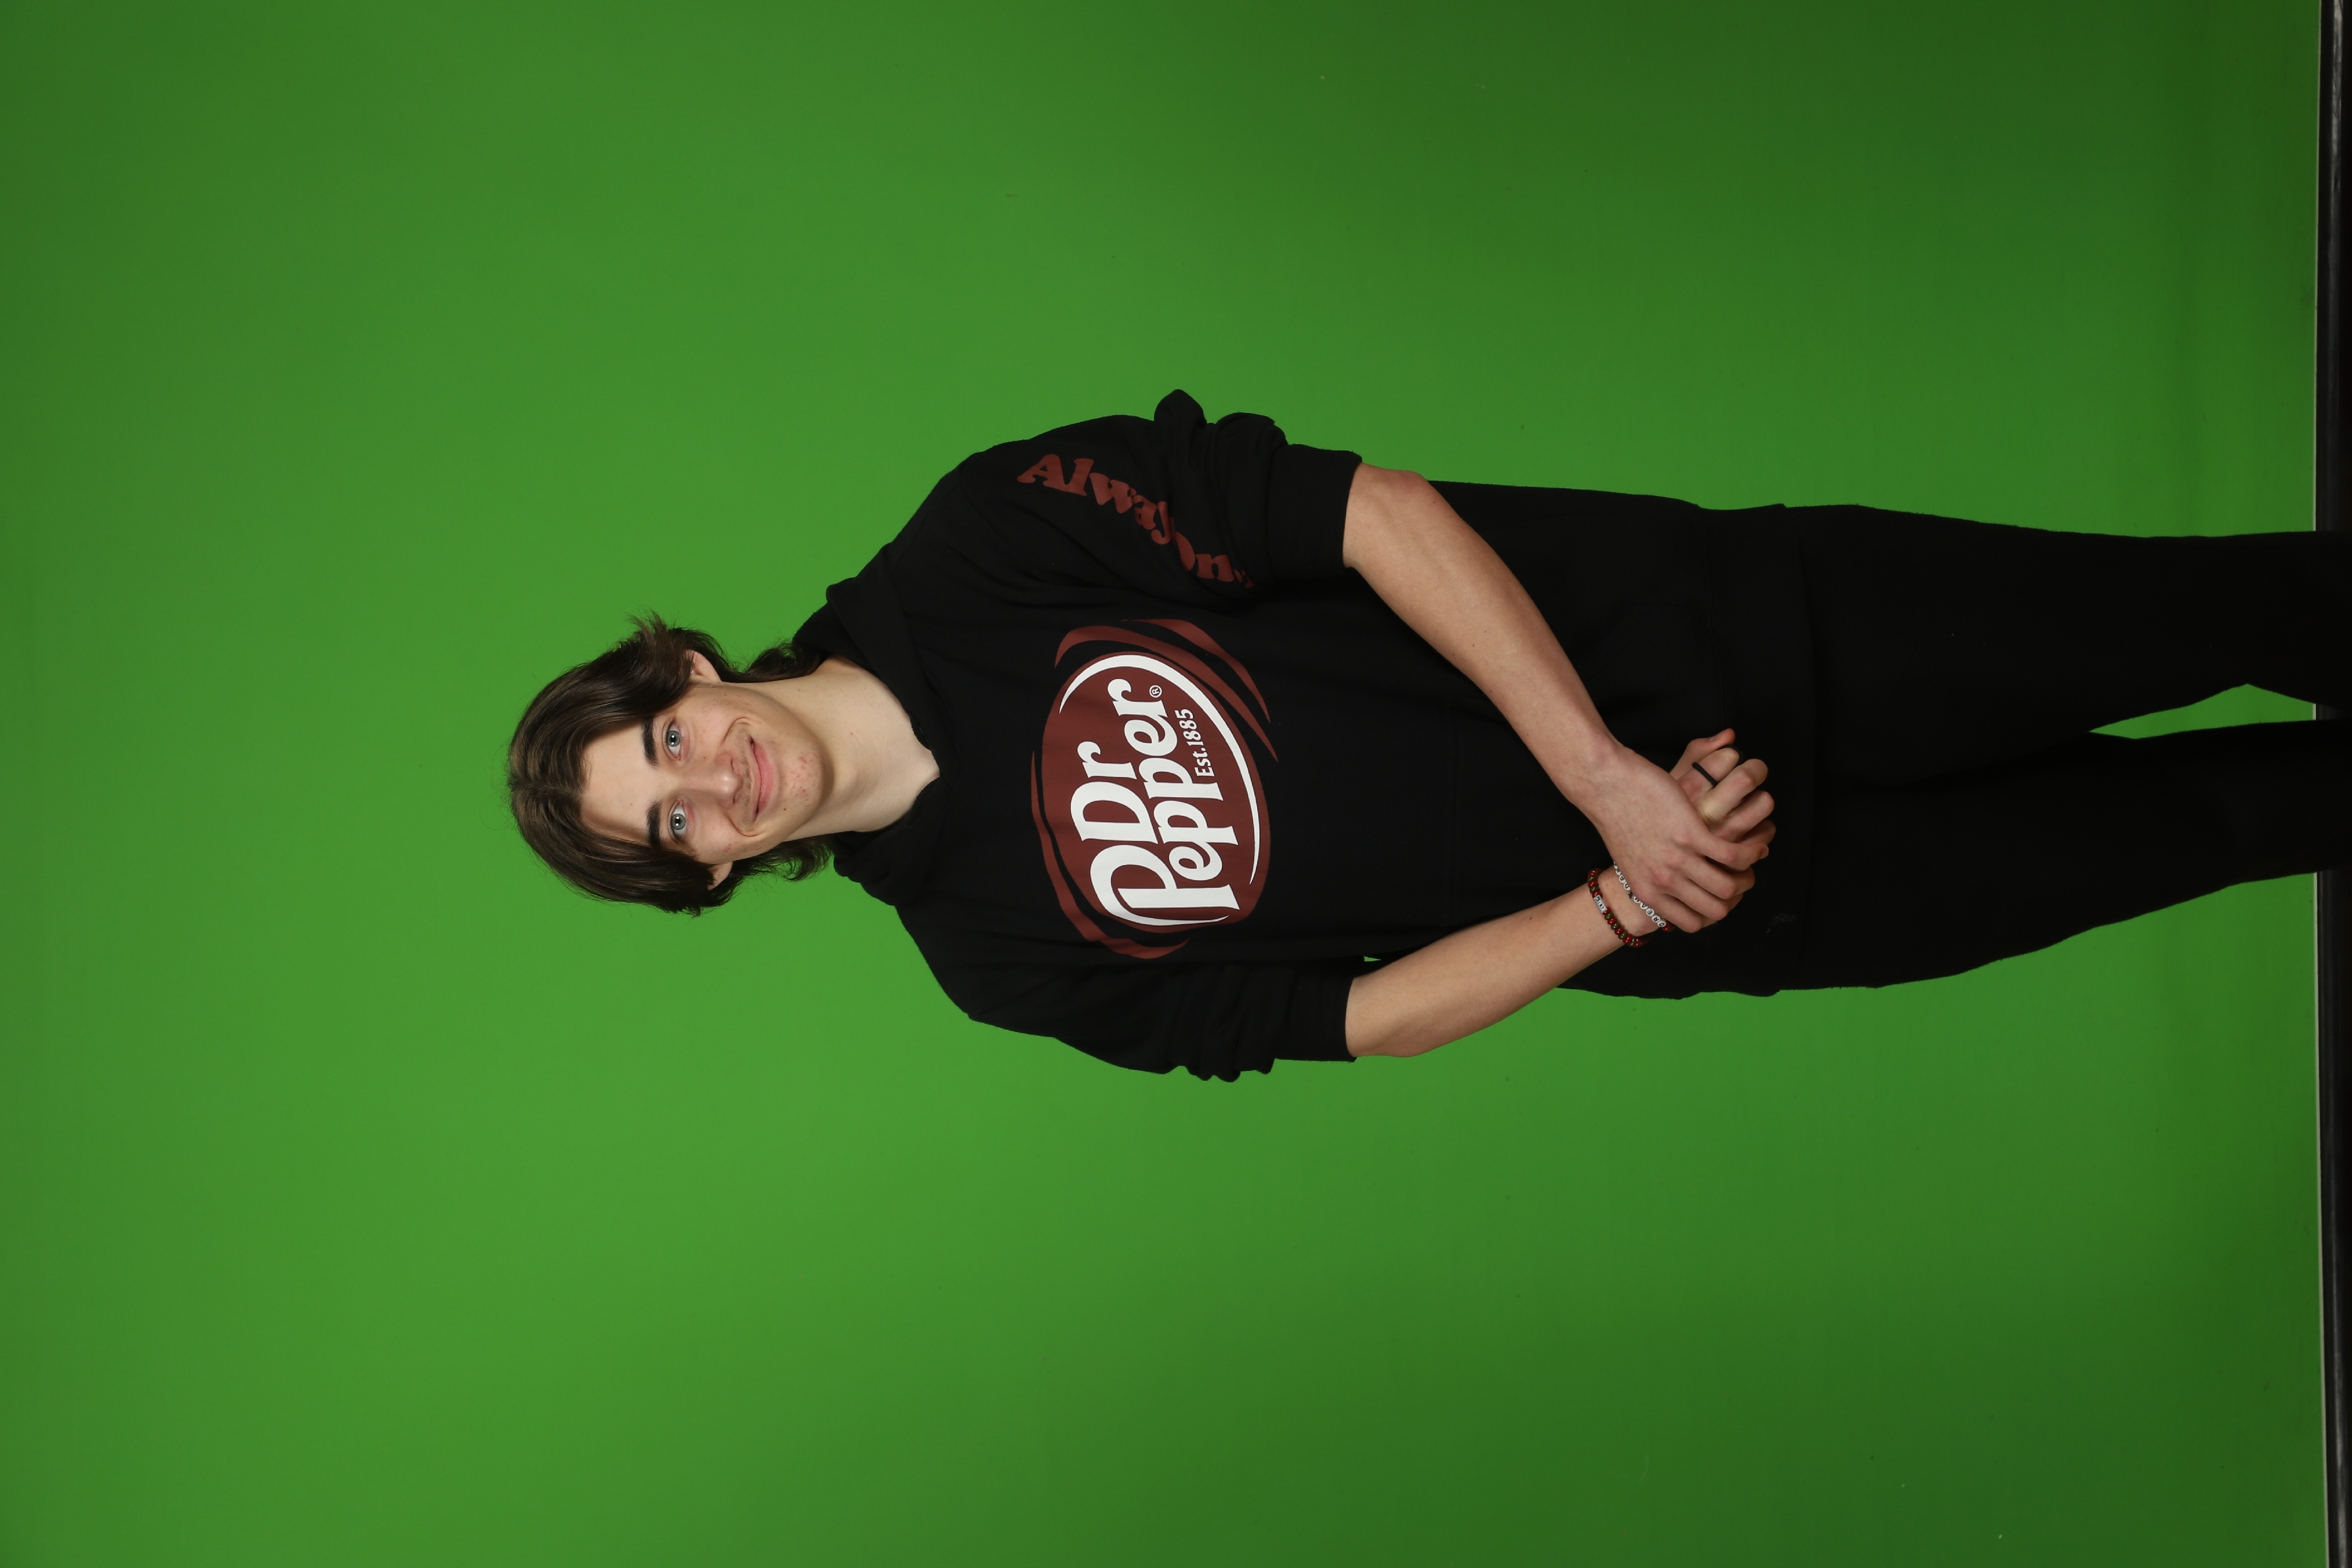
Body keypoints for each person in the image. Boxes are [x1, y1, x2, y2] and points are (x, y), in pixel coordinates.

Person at [508, 391, 2352, 1080]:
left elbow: (1369, 515)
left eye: (664, 746)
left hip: (1742, 633)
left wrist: (1610, 782)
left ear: (690, 675)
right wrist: (1627, 897)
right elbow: (1354, 1017)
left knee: (2224, 617)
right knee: (2227, 827)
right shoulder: (996, 959)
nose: (707, 786)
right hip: (1735, 894)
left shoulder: (984, 542)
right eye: (672, 831)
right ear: (715, 877)